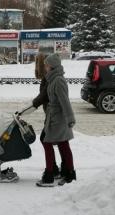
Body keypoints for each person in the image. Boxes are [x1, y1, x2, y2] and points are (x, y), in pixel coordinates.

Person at [35, 53, 76, 187]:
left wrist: (70, 118)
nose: (45, 67)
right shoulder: (53, 79)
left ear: (52, 66)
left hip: (58, 119)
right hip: (54, 117)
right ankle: (67, 173)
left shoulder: (58, 80)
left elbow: (65, 101)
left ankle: (50, 176)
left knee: (48, 143)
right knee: (63, 145)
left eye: (46, 65)